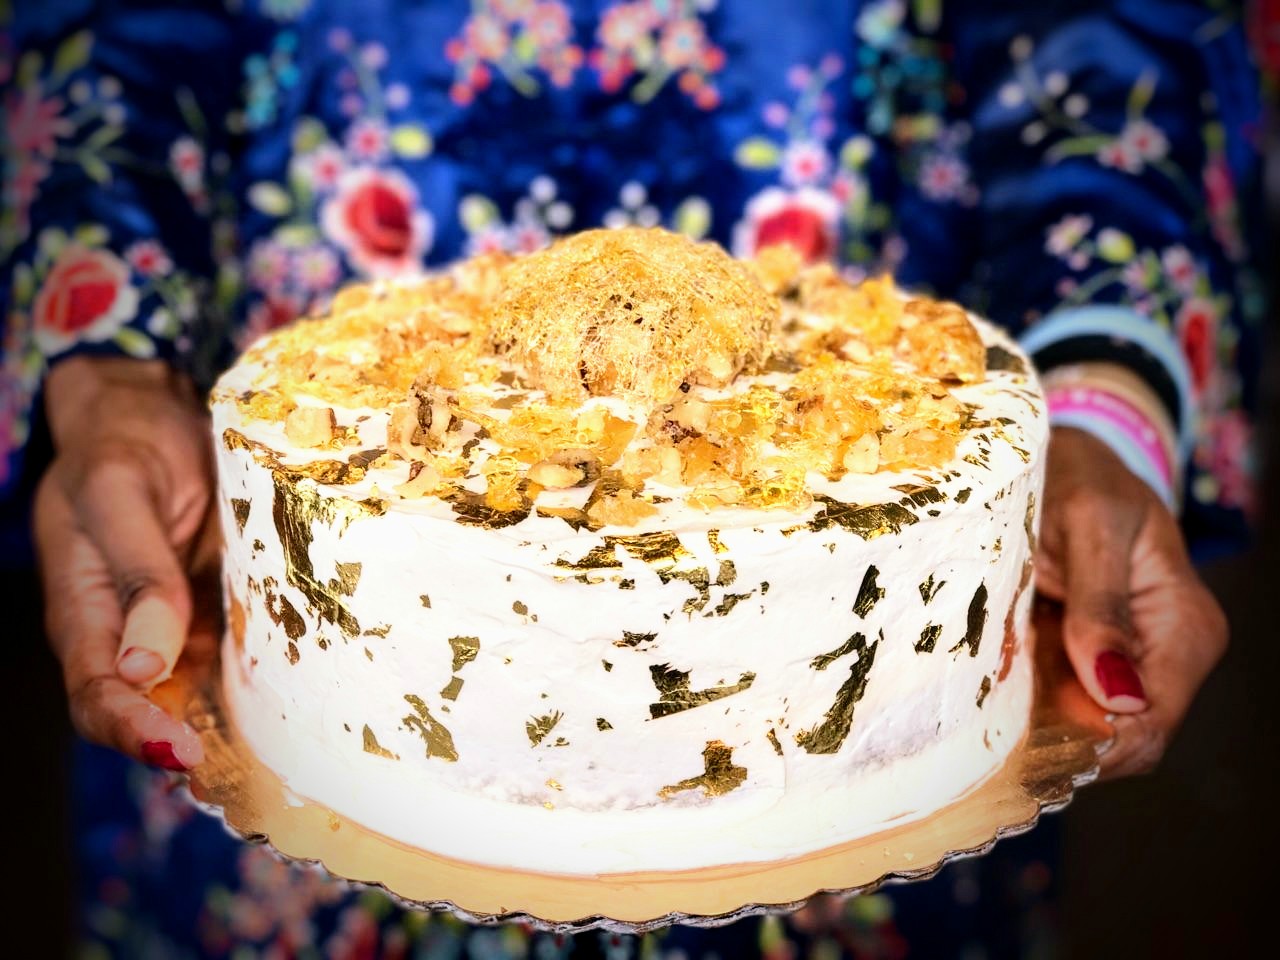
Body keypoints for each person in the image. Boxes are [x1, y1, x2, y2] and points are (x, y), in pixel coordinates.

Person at [2, 0, 1258, 956]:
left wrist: (1101, 401)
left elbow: (1100, 30)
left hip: (864, 368)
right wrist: (104, 365)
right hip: (318, 425)